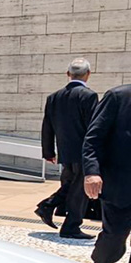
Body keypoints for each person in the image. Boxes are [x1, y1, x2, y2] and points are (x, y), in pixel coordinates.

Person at [35, 58, 97, 239]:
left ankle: (47, 206)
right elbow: (94, 127)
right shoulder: (89, 96)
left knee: (71, 185)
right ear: (88, 74)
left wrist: (48, 151)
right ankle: (71, 226)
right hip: (85, 152)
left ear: (68, 74)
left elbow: (47, 125)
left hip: (65, 151)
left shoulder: (54, 97)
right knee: (80, 191)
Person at [84, 84, 131, 263]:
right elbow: (93, 138)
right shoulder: (118, 97)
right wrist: (92, 172)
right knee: (114, 238)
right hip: (121, 185)